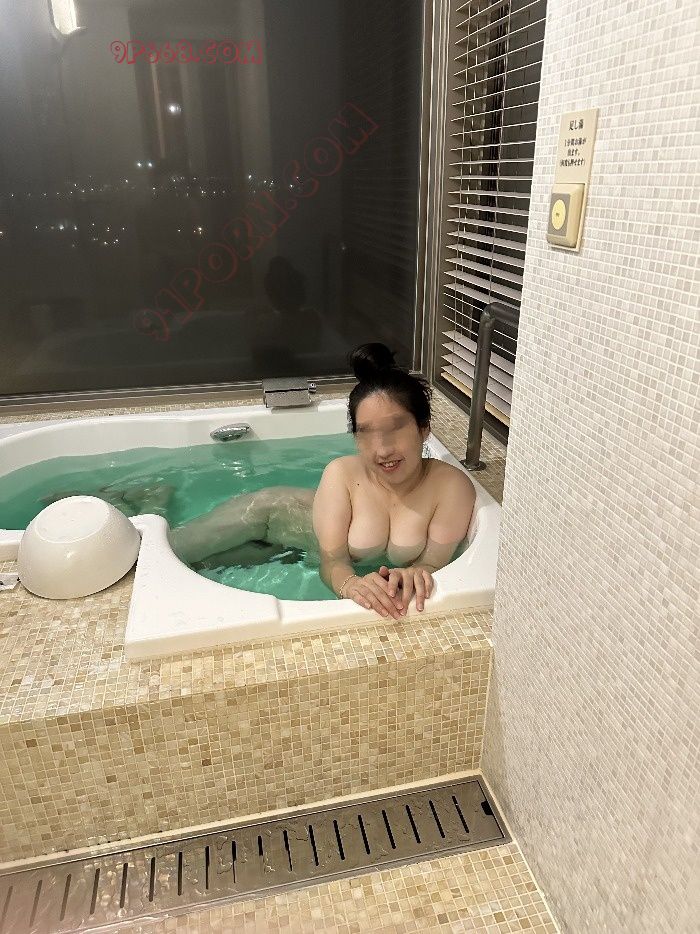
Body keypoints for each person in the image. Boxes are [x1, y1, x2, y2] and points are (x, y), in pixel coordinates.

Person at [167, 341, 476, 617]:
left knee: (204, 568)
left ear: (424, 427)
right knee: (171, 552)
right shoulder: (342, 474)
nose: (382, 450)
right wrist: (350, 583)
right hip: (270, 515)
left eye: (395, 429)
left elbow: (432, 564)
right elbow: (332, 562)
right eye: (366, 433)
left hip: (291, 550)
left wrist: (415, 574)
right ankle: (156, 498)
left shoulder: (451, 488)